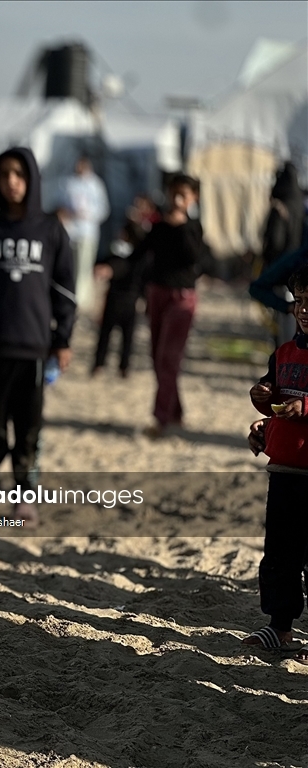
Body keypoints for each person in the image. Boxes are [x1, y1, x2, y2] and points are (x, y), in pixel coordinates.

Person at [0, 147, 76, 524]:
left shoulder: (50, 230)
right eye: (4, 175)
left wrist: (63, 340)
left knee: (28, 425)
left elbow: (64, 290)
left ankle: (25, 492)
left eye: (19, 175)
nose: (11, 182)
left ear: (32, 180)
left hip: (35, 345)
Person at [242, 262, 307, 663]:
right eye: (299, 300)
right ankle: (279, 627)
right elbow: (277, 399)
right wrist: (263, 416)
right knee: (280, 553)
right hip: (284, 473)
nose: (304, 309)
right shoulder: (283, 352)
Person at [134, 173, 212, 438]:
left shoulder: (193, 227)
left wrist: (179, 224)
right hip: (157, 294)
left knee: (169, 359)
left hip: (182, 298)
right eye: (174, 192)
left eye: (184, 194)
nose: (177, 198)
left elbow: (193, 257)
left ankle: (161, 418)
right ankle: (176, 412)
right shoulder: (158, 225)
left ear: (193, 198)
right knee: (158, 358)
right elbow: (139, 255)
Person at [91, 194, 159, 377]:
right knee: (108, 334)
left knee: (126, 337)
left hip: (130, 297)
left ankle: (122, 367)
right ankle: (101, 365)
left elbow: (136, 271)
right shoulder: (119, 249)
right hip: (117, 295)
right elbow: (112, 263)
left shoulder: (141, 252)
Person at [259, 163, 306, 346]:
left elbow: (275, 242)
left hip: (281, 272)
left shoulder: (279, 208)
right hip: (300, 271)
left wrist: (269, 263)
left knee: (284, 319)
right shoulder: (300, 208)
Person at [57, 156, 109, 313]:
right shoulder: (69, 183)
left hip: (87, 232)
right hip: (71, 232)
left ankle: (80, 300)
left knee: (83, 266)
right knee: (70, 266)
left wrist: (87, 213)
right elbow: (61, 205)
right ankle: (70, 295)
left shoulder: (95, 185)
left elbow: (103, 210)